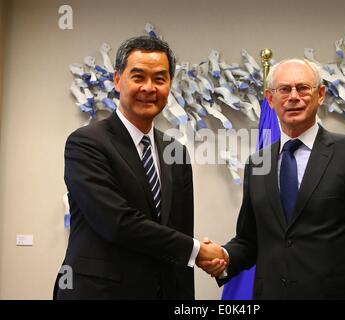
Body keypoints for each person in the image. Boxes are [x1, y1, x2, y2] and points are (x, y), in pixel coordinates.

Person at [198, 59, 345, 299]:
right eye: (284, 89)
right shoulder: (258, 163)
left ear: (320, 94)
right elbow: (250, 241)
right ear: (270, 99)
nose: (294, 96)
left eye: (303, 88)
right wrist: (224, 256)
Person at [54, 36, 225, 299]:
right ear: (117, 80)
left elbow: (178, 232)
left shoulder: (176, 152)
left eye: (160, 78)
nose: (149, 87)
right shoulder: (86, 143)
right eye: (138, 77)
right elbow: (116, 222)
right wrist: (196, 251)